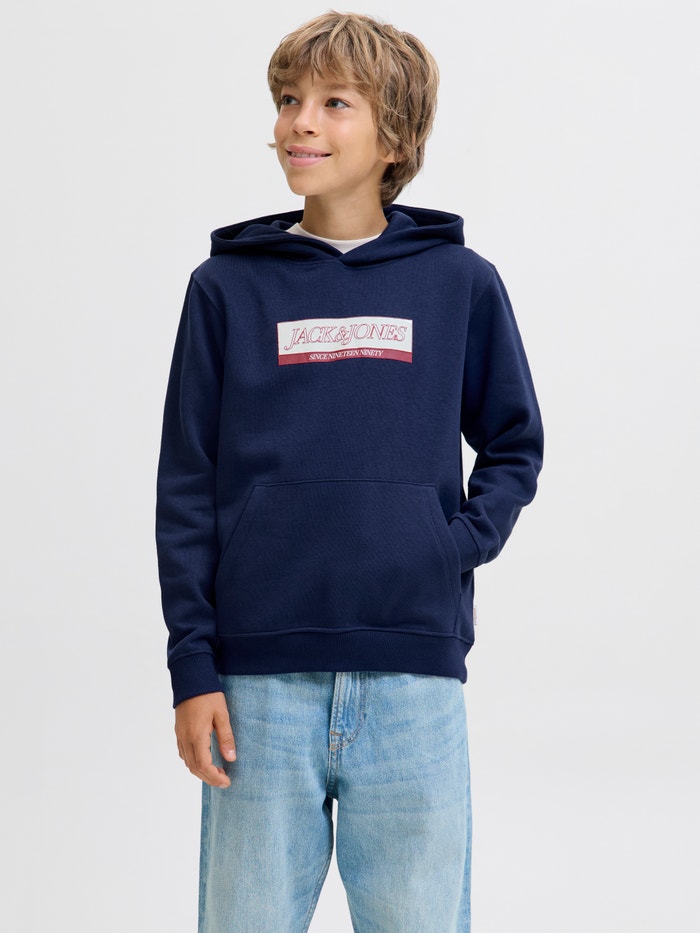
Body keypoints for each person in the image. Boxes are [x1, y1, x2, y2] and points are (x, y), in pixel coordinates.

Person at [155, 11, 544, 932]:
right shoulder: (225, 288)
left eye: (335, 103)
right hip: (256, 688)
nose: (300, 121)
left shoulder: (458, 282)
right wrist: (192, 666)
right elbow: (186, 484)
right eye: (290, 100)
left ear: (395, 137)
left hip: (413, 683)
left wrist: (448, 546)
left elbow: (514, 441)